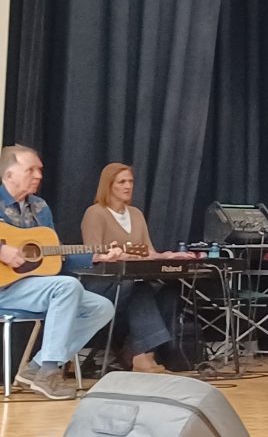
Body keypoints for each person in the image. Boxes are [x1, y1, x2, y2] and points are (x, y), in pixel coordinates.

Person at [0, 145, 115, 400]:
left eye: (39, 170)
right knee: (67, 287)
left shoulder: (40, 207)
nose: (38, 175)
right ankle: (50, 372)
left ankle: (37, 368)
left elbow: (54, 256)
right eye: (30, 169)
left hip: (31, 287)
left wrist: (96, 256)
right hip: (4, 290)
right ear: (9, 175)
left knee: (102, 307)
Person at [80, 163, 195, 373]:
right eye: (122, 182)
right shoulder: (95, 213)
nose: (128, 186)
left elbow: (148, 252)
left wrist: (169, 255)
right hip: (102, 284)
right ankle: (143, 357)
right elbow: (93, 254)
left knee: (169, 289)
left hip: (130, 282)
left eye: (130, 181)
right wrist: (121, 256)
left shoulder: (136, 214)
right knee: (138, 289)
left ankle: (139, 351)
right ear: (109, 185)